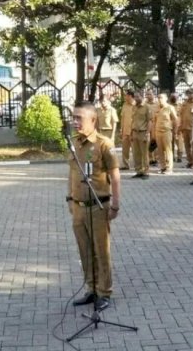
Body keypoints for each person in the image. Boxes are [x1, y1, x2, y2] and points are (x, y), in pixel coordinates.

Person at [67, 101, 121, 312]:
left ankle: (104, 292)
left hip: (98, 206)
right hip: (78, 207)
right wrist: (69, 198)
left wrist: (115, 205)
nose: (75, 122)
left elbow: (115, 176)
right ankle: (91, 289)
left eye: (79, 118)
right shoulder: (74, 143)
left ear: (93, 120)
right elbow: (72, 173)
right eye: (74, 117)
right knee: (85, 250)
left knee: (101, 251)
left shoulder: (104, 144)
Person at [153, 93, 178, 174]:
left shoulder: (170, 108)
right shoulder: (156, 108)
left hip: (166, 131)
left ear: (166, 99)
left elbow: (175, 120)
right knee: (160, 150)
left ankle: (169, 168)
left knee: (168, 150)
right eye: (158, 97)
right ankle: (162, 167)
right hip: (158, 131)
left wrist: (175, 131)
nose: (160, 99)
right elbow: (154, 121)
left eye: (161, 98)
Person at [131, 91, 152, 179]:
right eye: (135, 97)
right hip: (135, 132)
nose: (136, 99)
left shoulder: (147, 107)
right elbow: (132, 120)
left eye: (137, 97)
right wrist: (131, 133)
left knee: (144, 154)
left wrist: (147, 133)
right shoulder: (134, 107)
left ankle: (146, 172)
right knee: (136, 153)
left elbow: (150, 121)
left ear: (141, 97)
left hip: (143, 132)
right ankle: (139, 171)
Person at [179, 89, 193, 168]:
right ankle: (190, 161)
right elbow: (181, 114)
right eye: (188, 94)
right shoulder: (184, 103)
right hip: (184, 127)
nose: (189, 95)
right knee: (187, 146)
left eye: (190, 94)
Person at [119, 90, 135, 170]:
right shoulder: (124, 105)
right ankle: (125, 165)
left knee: (135, 149)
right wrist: (121, 129)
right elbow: (122, 118)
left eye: (126, 95)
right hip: (125, 131)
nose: (125, 97)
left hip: (134, 131)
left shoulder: (136, 105)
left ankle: (137, 165)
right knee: (125, 150)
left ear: (130, 96)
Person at [145, 89, 159, 165]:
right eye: (147, 94)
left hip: (156, 125)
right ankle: (150, 159)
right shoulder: (145, 104)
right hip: (147, 126)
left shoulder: (158, 104)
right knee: (148, 142)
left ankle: (156, 159)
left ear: (154, 94)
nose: (148, 96)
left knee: (155, 142)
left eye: (150, 94)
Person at [169, 93, 184, 163]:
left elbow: (182, 115)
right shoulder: (168, 106)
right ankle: (171, 156)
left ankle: (179, 156)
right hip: (170, 126)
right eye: (172, 96)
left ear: (178, 97)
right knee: (170, 142)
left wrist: (181, 125)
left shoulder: (180, 105)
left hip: (178, 126)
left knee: (179, 143)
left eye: (175, 97)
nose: (174, 98)